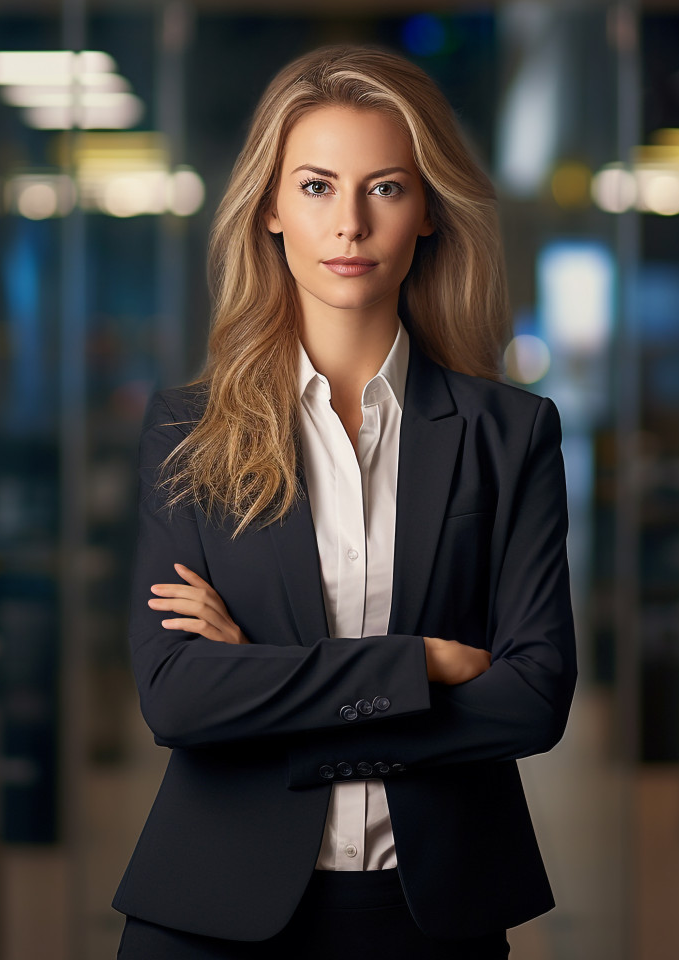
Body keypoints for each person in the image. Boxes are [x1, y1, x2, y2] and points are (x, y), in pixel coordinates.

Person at [112, 44, 576, 960]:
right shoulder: (189, 432)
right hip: (210, 914)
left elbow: (534, 698)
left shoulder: (511, 433)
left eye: (387, 188)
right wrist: (418, 668)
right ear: (272, 210)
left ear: (430, 212)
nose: (350, 224)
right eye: (318, 187)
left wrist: (276, 688)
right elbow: (177, 697)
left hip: (433, 914)